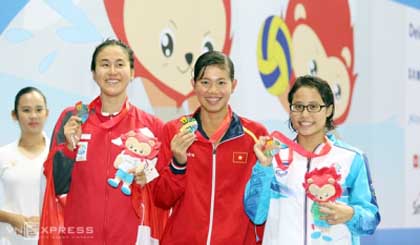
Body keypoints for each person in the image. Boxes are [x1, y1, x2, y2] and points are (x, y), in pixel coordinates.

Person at [39, 39, 168, 245]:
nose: (112, 71)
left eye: (119, 64)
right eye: (105, 64)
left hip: (130, 237)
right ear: (93, 73)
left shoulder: (152, 127)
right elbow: (52, 181)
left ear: (133, 72)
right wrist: (69, 149)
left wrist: (148, 177)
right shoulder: (72, 118)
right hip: (80, 237)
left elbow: (165, 189)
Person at [244, 75, 380, 244]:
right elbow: (256, 215)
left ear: (329, 110)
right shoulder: (274, 157)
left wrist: (350, 214)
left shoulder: (352, 158)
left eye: (313, 106)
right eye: (298, 107)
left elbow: (371, 220)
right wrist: (264, 167)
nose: (305, 114)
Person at [152, 51, 268, 244]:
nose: (213, 90)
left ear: (234, 85)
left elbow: (262, 205)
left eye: (221, 82)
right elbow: (161, 199)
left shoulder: (254, 135)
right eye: (205, 82)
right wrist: (178, 164)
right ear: (193, 85)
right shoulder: (175, 131)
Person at [0, 87, 49, 244]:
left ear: (46, 113)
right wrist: (11, 218)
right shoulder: (4, 154)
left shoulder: (58, 154)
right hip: (10, 240)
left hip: (49, 239)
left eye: (39, 109)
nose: (33, 116)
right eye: (26, 110)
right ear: (14, 115)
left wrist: (48, 219)